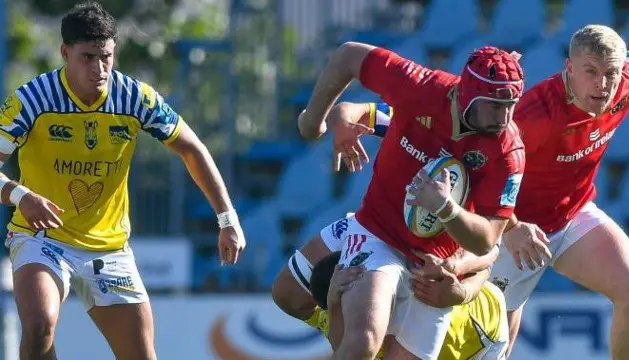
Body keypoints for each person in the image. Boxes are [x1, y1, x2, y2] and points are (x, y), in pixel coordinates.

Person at [0, 2, 246, 359]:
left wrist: (227, 218)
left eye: (107, 57)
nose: (100, 69)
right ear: (65, 53)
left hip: (109, 248)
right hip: (43, 239)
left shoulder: (135, 97)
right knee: (39, 326)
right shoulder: (31, 101)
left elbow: (192, 149)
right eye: (88, 57)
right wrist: (21, 195)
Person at [286, 42, 525, 359]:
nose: (505, 116)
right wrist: (313, 118)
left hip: (432, 269)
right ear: (468, 94)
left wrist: (446, 208)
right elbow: (348, 56)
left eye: (511, 105)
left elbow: (486, 242)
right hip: (377, 234)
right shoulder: (421, 87)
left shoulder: (508, 151)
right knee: (362, 342)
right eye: (495, 106)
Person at [490, 24, 629, 359]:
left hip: (573, 217)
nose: (603, 85)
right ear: (569, 68)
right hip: (517, 230)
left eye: (610, 73)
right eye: (591, 72)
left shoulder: (628, 83)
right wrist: (511, 227)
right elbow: (482, 172)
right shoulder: (535, 116)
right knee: (493, 345)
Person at [309, 250, 509, 360]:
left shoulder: (416, 278)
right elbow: (341, 347)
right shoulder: (334, 314)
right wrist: (334, 302)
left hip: (484, 332)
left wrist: (463, 292)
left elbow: (485, 265)